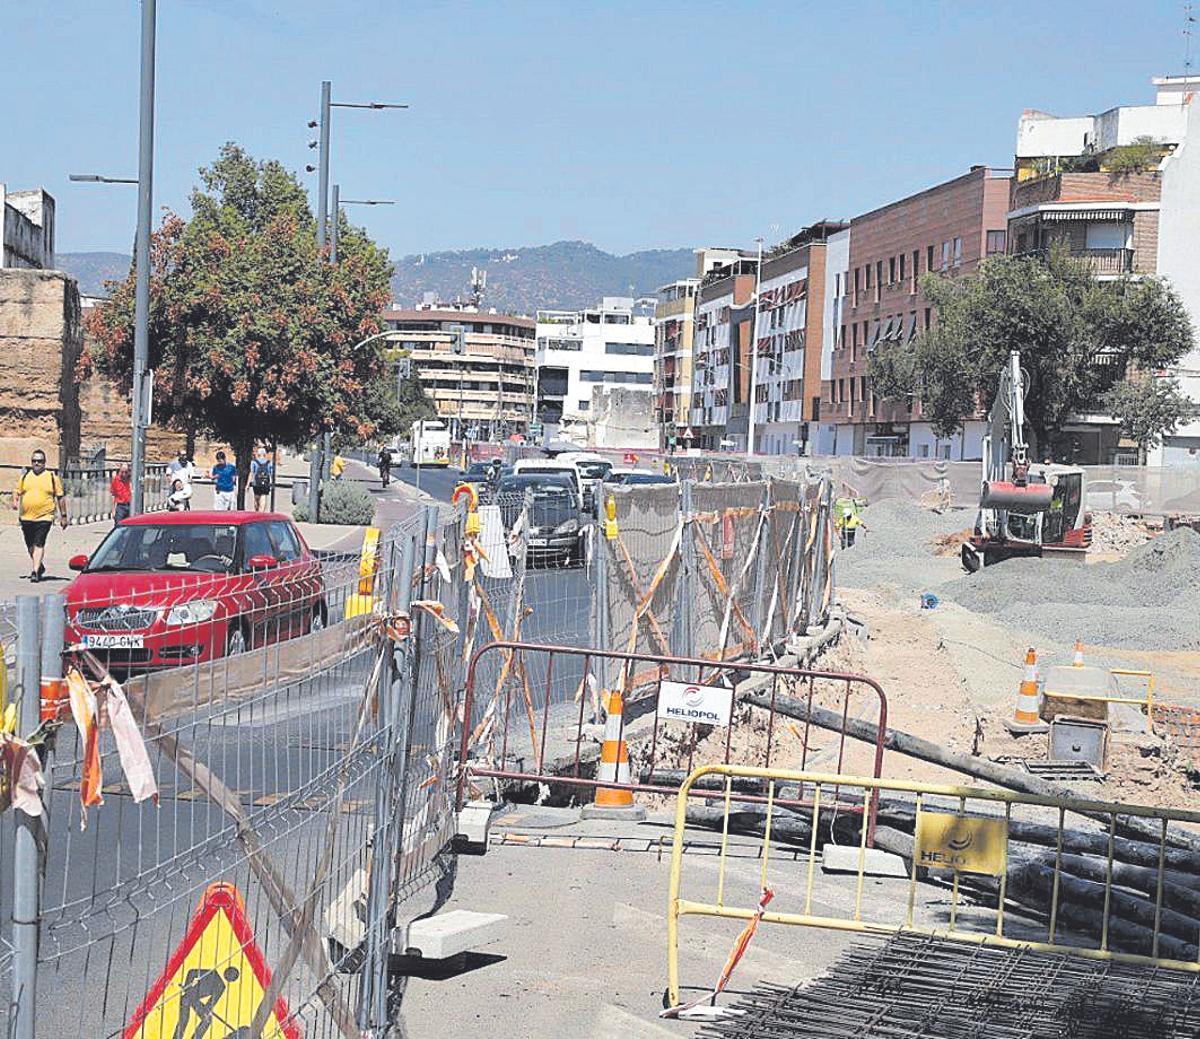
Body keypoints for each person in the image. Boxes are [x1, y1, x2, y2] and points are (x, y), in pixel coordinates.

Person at [11, 450, 68, 582]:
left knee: (39, 543)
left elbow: (60, 497)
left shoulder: (51, 477)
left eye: (40, 461)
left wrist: (63, 516)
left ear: (44, 463)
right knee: (30, 545)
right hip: (26, 517)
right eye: (34, 461)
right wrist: (15, 501)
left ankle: (35, 572)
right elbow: (16, 491)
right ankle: (39, 566)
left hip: (45, 517)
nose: (37, 463)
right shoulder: (25, 477)